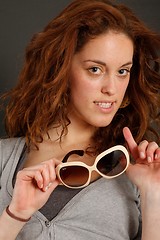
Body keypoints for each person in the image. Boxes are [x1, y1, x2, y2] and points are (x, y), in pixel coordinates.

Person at [0, 0, 160, 239]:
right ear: (61, 68)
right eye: (95, 69)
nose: (112, 88)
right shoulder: (4, 158)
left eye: (122, 71)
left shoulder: (137, 174)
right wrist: (16, 214)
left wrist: (153, 195)